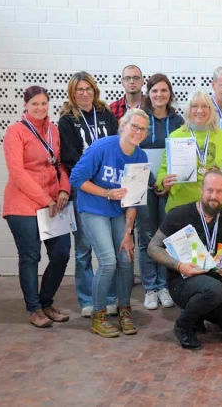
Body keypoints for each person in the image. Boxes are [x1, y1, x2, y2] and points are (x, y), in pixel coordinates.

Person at [147, 169, 222, 350]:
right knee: (213, 289)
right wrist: (179, 266)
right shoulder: (179, 215)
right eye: (210, 190)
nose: (214, 196)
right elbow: (153, 247)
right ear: (201, 190)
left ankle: (200, 314)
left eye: (219, 191)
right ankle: (183, 326)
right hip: (182, 282)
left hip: (216, 286)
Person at [69, 109, 150, 338]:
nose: (137, 131)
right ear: (123, 125)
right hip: (93, 209)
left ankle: (124, 310)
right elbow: (76, 179)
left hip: (117, 212)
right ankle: (99, 315)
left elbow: (134, 198)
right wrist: (106, 193)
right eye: (134, 126)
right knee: (108, 262)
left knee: (125, 258)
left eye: (142, 129)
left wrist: (128, 233)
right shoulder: (102, 147)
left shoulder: (140, 157)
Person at [3, 86, 71, 328]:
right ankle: (34, 309)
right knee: (31, 256)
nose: (40, 108)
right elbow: (18, 173)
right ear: (26, 106)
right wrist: (46, 200)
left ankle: (46, 302)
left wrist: (64, 189)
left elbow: (60, 164)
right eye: (35, 104)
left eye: (44, 103)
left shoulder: (53, 129)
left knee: (62, 253)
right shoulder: (15, 132)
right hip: (23, 205)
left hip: (53, 202)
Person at [58, 71, 119, 318]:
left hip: (110, 189)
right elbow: (69, 157)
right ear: (72, 93)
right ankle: (86, 298)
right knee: (83, 247)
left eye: (88, 89)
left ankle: (111, 296)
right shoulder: (67, 120)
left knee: (111, 249)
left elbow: (116, 145)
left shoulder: (106, 115)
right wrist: (92, 176)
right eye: (79, 90)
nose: (84, 93)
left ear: (95, 90)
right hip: (83, 189)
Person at [135, 74, 184, 311]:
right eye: (155, 91)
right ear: (148, 93)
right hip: (143, 185)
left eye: (164, 91)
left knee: (166, 237)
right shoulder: (140, 118)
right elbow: (133, 149)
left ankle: (165, 286)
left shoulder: (178, 120)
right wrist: (155, 181)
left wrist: (165, 183)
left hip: (170, 187)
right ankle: (150, 288)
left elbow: (184, 151)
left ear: (170, 93)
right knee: (145, 237)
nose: (159, 95)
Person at [157, 91, 222, 212]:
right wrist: (163, 181)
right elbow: (163, 169)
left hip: (215, 204)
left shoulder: (220, 135)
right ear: (188, 109)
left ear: (211, 110)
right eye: (194, 106)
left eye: (205, 106)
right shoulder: (176, 136)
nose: (200, 110)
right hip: (182, 204)